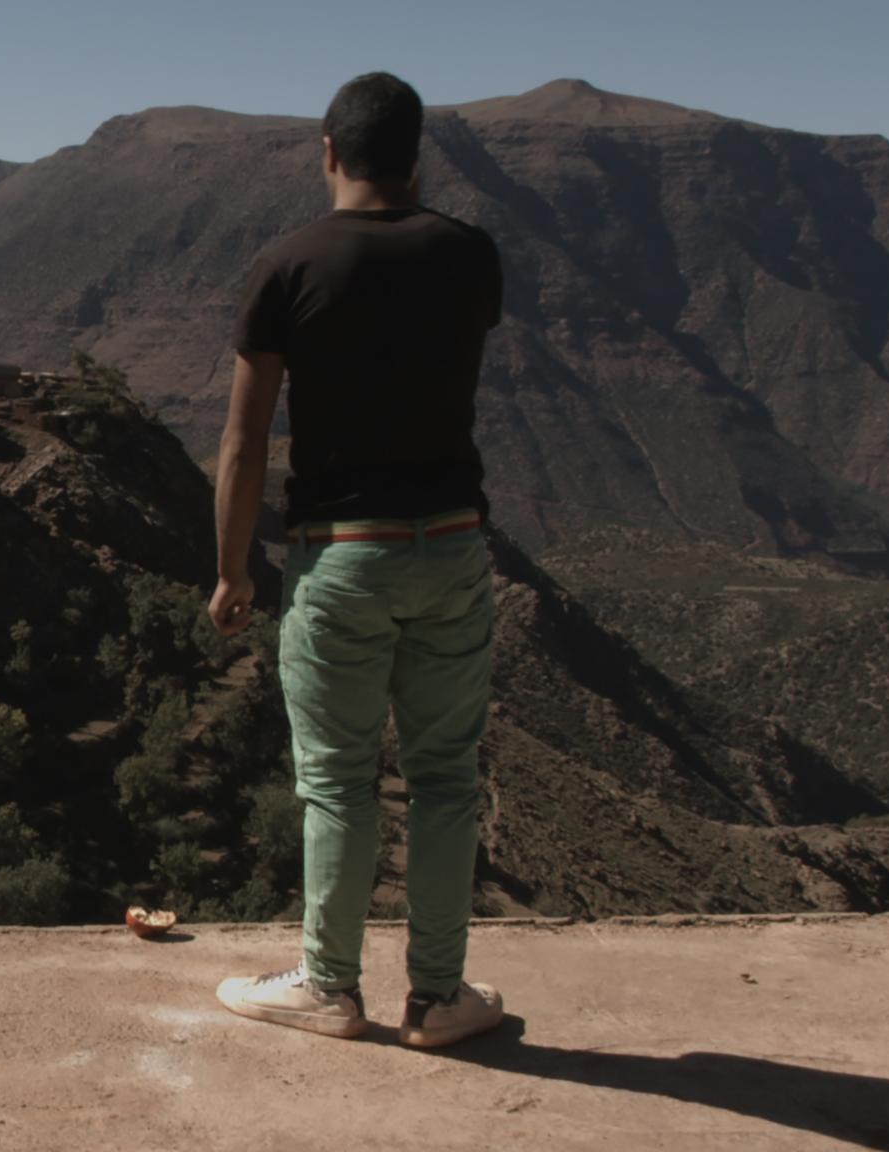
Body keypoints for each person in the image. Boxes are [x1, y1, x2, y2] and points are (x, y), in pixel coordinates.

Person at [206, 72, 505, 1048]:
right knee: (445, 777)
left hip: (342, 554)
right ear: (417, 159)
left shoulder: (287, 266)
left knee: (337, 781)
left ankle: (329, 986)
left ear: (328, 153)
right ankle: (439, 997)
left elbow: (244, 442)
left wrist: (233, 571)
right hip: (452, 543)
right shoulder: (469, 255)